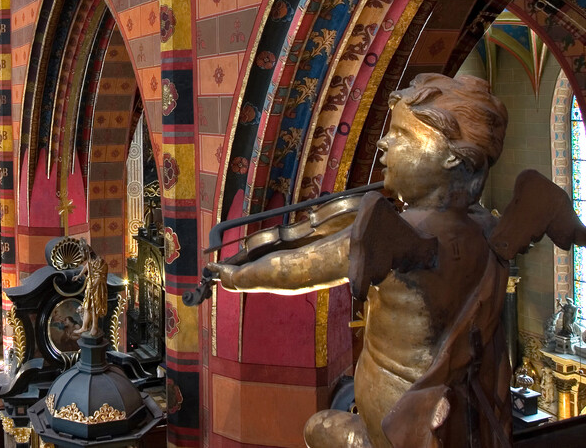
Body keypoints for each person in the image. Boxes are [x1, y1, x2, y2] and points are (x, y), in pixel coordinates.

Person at [206, 73, 586, 448]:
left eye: (402, 134)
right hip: (470, 421)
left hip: (399, 429)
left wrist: (234, 275)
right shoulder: (491, 230)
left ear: (451, 156)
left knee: (319, 427)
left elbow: (297, 268)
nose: (383, 142)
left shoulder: (403, 234)